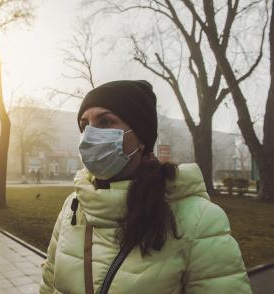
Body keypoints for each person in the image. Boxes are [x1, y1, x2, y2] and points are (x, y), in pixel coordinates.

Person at [40, 80, 251, 294]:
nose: (90, 136)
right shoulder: (73, 206)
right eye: (85, 125)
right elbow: (49, 284)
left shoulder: (200, 221)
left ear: (141, 138)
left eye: (105, 122)